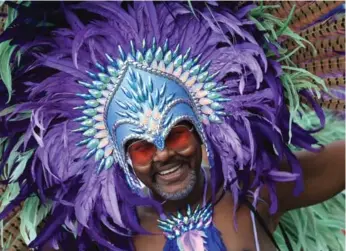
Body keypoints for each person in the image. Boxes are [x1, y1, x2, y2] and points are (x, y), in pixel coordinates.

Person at [0, 1, 344, 251]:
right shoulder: (116, 242)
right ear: (121, 158)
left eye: (176, 134)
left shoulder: (256, 194)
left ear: (202, 130)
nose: (164, 155)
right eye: (143, 148)